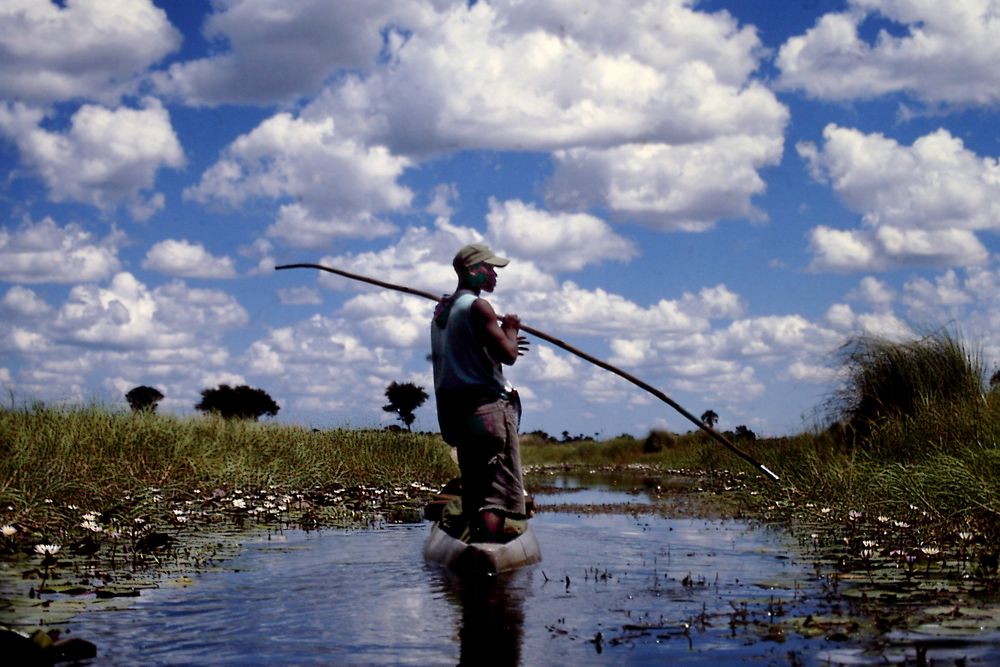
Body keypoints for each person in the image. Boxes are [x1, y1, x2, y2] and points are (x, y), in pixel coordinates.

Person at [431, 243, 529, 543]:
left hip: (457, 415)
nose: (494, 274)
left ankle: (473, 559)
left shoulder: (442, 313)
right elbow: (510, 354)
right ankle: (487, 563)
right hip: (486, 411)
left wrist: (500, 340)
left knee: (475, 491)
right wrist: (511, 328)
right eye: (490, 268)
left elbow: (471, 356)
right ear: (472, 271)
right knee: (494, 496)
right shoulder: (478, 307)